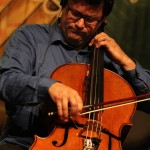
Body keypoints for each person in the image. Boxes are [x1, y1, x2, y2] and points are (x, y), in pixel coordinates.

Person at [0, 0, 150, 149]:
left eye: (90, 19)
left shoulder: (110, 60)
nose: (79, 24)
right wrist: (50, 87)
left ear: (102, 20)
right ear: (63, 6)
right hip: (26, 143)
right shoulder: (30, 37)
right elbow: (5, 81)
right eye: (75, 13)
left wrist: (127, 63)